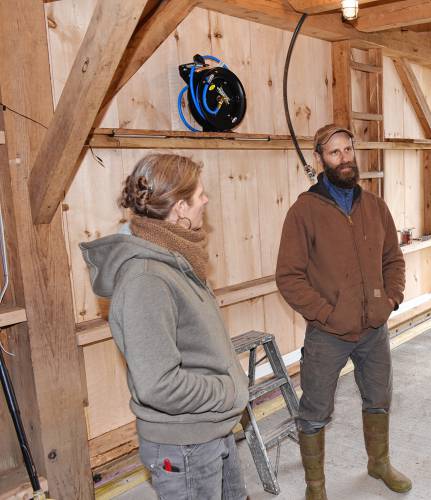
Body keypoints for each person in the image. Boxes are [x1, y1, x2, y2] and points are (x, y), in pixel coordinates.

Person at [80, 154, 250, 500]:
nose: (205, 200)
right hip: (185, 445)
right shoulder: (146, 281)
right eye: (200, 194)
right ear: (179, 208)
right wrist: (228, 392)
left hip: (209, 428)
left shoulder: (175, 259)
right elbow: (159, 386)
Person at [276, 124, 410, 499]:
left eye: (348, 150)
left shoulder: (375, 206)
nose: (344, 159)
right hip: (327, 333)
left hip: (374, 328)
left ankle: (379, 463)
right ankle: (315, 486)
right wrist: (326, 313)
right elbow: (289, 276)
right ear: (319, 159)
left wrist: (390, 300)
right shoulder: (304, 211)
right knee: (315, 409)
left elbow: (393, 260)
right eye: (334, 153)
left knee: (379, 397)